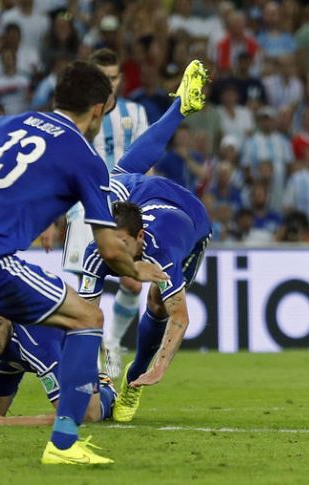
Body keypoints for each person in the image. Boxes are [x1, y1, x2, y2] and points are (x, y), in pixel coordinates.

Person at [0, 60, 170, 465]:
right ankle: (63, 445)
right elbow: (110, 249)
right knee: (88, 318)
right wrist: (138, 270)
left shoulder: (10, 122)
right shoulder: (84, 157)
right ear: (97, 110)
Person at [63, 53, 207, 380]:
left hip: (121, 197)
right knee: (88, 289)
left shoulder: (133, 112)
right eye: (103, 77)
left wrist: (147, 195)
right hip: (85, 204)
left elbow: (146, 156)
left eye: (114, 77)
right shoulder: (76, 112)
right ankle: (91, 361)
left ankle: (111, 344)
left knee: (130, 280)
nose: (109, 83)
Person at [78, 163, 212, 423]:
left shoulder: (163, 253)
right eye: (109, 242)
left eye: (123, 244)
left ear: (140, 237)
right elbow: (84, 316)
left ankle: (134, 377)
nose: (113, 252)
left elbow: (180, 317)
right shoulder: (98, 250)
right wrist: (91, 371)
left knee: (158, 302)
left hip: (193, 219)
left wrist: (159, 367)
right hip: (143, 191)